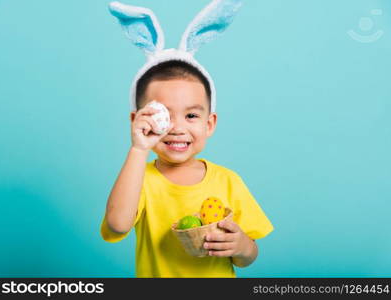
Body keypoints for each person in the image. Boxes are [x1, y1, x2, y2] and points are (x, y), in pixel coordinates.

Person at [100, 60, 274, 277]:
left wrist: (242, 247)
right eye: (163, 116)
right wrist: (138, 148)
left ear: (209, 124)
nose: (178, 128)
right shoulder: (139, 179)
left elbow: (247, 257)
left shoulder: (228, 180)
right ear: (137, 120)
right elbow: (117, 225)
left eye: (191, 116)